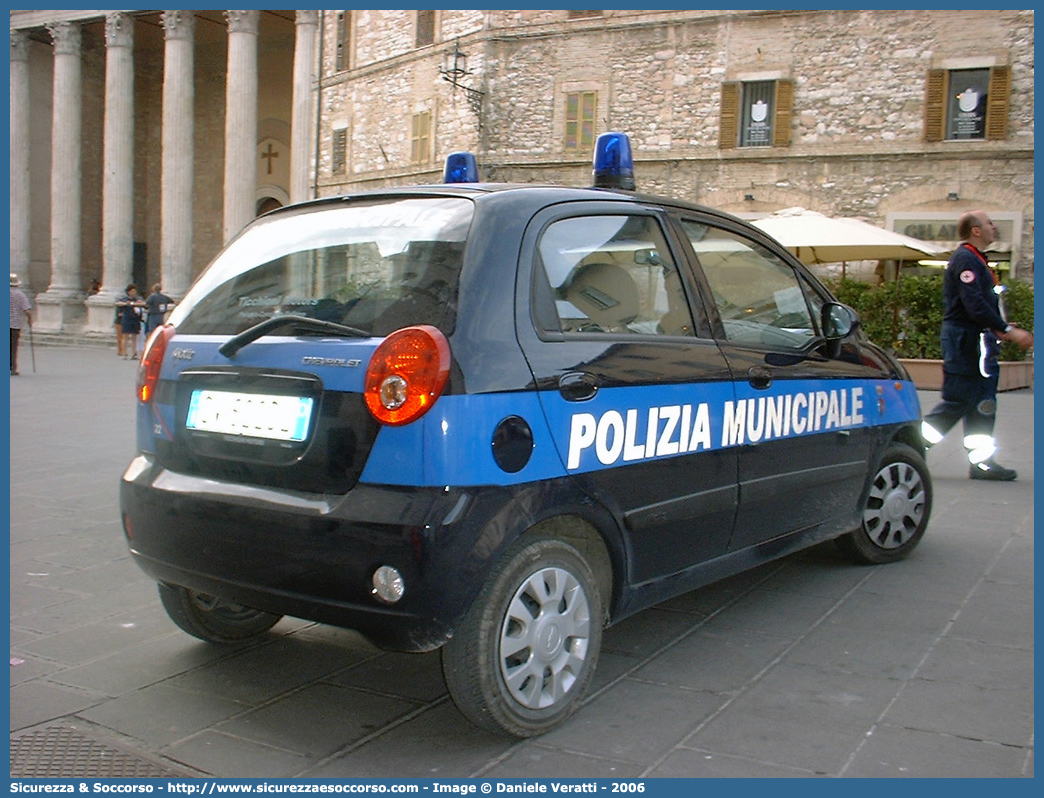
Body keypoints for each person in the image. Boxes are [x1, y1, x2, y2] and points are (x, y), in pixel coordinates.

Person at [921, 210, 1034, 481]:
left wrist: (1001, 326)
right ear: (976, 230)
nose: (994, 227)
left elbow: (982, 304)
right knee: (959, 398)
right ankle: (910, 445)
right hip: (966, 341)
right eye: (989, 223)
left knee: (983, 403)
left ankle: (982, 462)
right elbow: (973, 304)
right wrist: (1006, 330)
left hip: (977, 341)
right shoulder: (966, 260)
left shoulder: (977, 260)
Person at [115, 283, 146, 360]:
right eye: (132, 291)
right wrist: (126, 304)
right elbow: (118, 303)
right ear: (128, 292)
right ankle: (124, 353)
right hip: (127, 319)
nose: (134, 293)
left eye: (134, 291)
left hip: (135, 319)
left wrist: (135, 303)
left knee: (134, 337)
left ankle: (134, 353)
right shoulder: (125, 299)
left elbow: (144, 303)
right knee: (125, 337)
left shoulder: (137, 299)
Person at [10, 273, 32, 376]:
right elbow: (27, 310)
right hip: (15, 325)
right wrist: (30, 321)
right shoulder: (20, 294)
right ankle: (13, 367)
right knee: (13, 347)